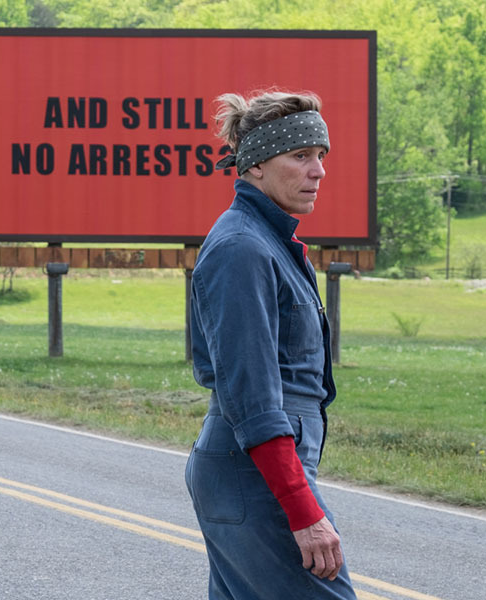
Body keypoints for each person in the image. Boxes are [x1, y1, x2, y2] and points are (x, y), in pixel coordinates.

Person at [185, 90, 357, 600]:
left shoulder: (266, 241)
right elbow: (253, 399)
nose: (318, 171)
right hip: (254, 474)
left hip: (252, 473)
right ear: (255, 165)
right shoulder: (242, 248)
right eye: (300, 156)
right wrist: (303, 510)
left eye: (320, 156)